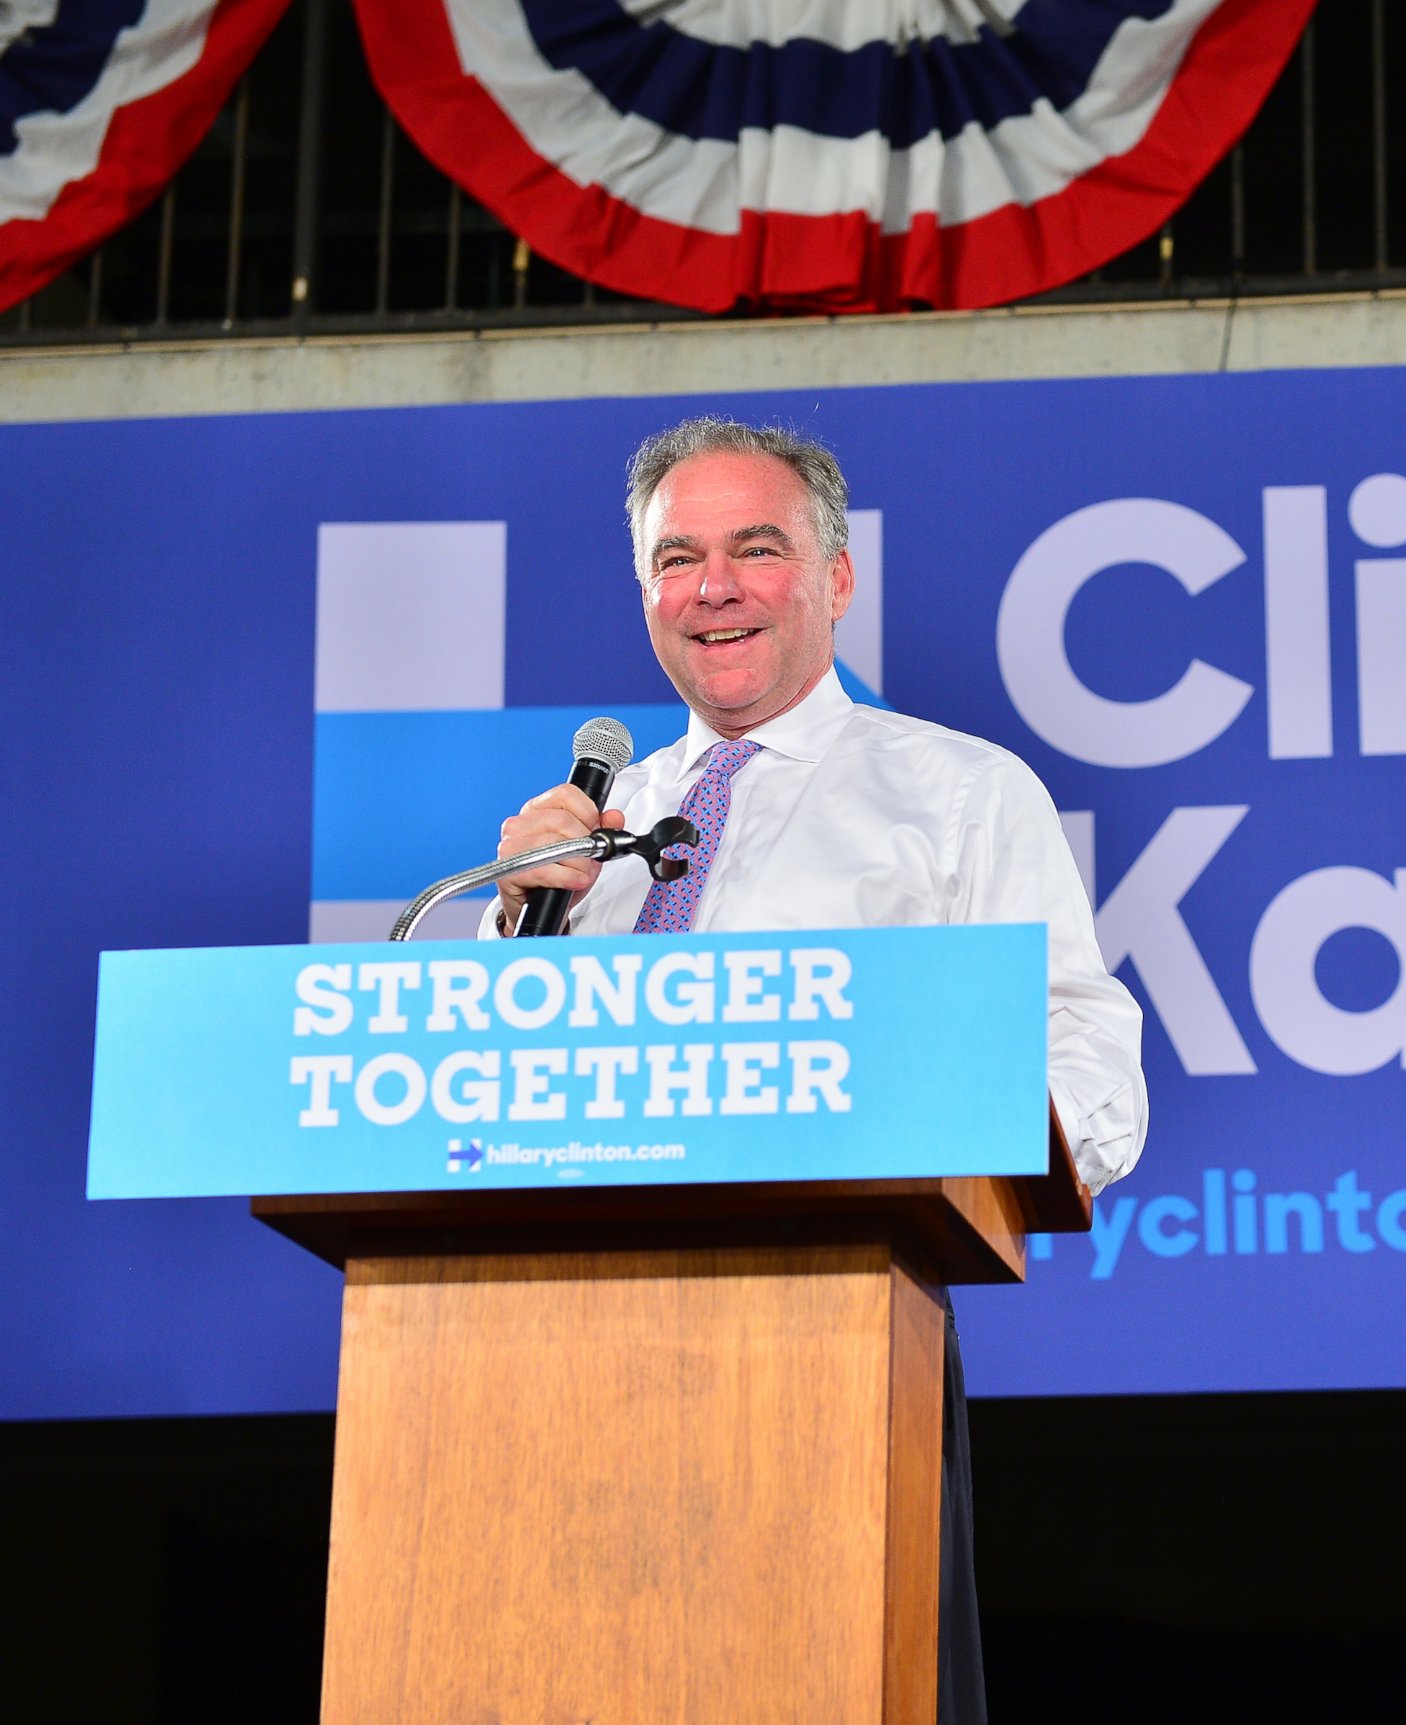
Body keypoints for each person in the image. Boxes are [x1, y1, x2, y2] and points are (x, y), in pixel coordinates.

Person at [484, 417, 1146, 1725]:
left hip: (831, 1323)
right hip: (555, 1344)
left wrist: (928, 1123)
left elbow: (1084, 1058)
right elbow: (488, 1107)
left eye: (756, 549)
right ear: (646, 594)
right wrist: (517, 929)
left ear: (837, 581)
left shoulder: (955, 791)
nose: (714, 585)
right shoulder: (584, 842)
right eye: (679, 558)